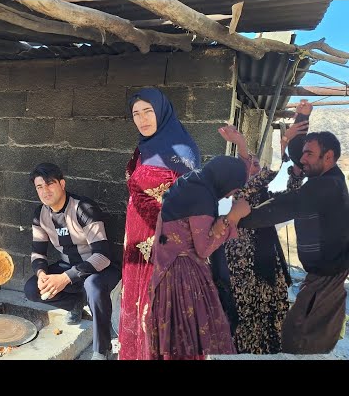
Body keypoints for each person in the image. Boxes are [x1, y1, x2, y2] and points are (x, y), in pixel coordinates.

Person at [236, 129, 349, 354]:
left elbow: (284, 206)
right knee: (304, 334)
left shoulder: (324, 186)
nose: (302, 160)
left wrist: (237, 219)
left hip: (326, 278)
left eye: (309, 154)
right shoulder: (331, 179)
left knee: (300, 337)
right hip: (325, 275)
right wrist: (296, 130)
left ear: (328, 157)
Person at [118, 88, 201, 360]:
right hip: (135, 246)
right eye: (136, 114)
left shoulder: (182, 151)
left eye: (148, 111)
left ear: (162, 111)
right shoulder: (144, 147)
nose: (142, 119)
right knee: (137, 309)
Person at [211, 124, 306, 354]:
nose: (256, 167)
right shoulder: (232, 198)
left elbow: (293, 195)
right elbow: (251, 187)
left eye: (256, 163)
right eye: (250, 164)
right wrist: (243, 147)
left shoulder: (266, 199)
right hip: (238, 270)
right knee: (241, 316)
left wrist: (295, 164)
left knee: (269, 316)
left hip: (265, 268)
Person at [147, 155, 250, 360]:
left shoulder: (191, 182)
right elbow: (204, 249)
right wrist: (232, 218)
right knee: (195, 337)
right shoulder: (201, 197)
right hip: (184, 277)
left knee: (175, 337)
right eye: (234, 189)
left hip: (166, 269)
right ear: (226, 181)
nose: (231, 194)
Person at [24, 163, 121, 360]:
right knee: (32, 289)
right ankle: (75, 304)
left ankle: (102, 349)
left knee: (93, 286)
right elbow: (38, 254)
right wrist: (42, 275)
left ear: (62, 184)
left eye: (50, 184)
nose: (45, 191)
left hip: (101, 268)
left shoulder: (83, 208)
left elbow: (102, 256)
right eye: (39, 187)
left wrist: (65, 278)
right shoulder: (40, 214)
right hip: (68, 266)